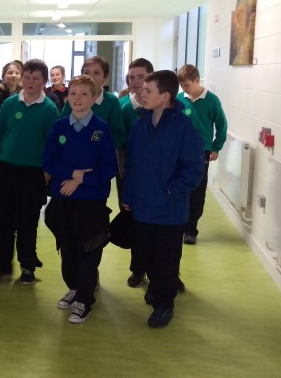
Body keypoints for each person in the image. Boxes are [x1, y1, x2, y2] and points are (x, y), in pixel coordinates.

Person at [122, 70, 204, 328]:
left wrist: (171, 192)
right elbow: (131, 165)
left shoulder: (184, 128)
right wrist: (128, 194)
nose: (142, 93)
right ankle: (156, 289)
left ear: (165, 96)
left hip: (170, 210)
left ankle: (164, 304)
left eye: (148, 91)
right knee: (145, 254)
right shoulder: (139, 125)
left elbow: (193, 169)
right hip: (143, 207)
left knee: (166, 259)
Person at [43, 75, 118, 323]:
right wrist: (73, 174)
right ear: (67, 97)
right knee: (67, 247)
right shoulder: (60, 127)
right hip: (64, 197)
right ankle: (74, 288)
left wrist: (81, 179)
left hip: (91, 201)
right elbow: (49, 161)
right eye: (74, 93)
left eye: (84, 94)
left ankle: (85, 298)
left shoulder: (101, 128)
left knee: (89, 248)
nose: (78, 98)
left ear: (94, 98)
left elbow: (109, 168)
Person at [0, 59, 60, 285]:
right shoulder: (9, 103)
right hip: (5, 170)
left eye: (36, 78)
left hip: (33, 173)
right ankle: (2, 265)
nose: (30, 82)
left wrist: (44, 177)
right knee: (1, 221)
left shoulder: (49, 109)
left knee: (28, 222)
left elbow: (53, 146)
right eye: (27, 77)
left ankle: (27, 265)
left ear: (44, 81)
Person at [176, 64, 227, 245]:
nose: (184, 89)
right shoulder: (179, 99)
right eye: (182, 86)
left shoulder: (212, 100)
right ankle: (178, 226)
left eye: (187, 85)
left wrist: (216, 147)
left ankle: (191, 229)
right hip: (179, 150)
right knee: (180, 188)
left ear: (197, 80)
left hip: (201, 152)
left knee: (197, 191)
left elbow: (222, 125)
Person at [119, 58, 154, 288]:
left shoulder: (161, 107)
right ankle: (138, 269)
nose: (136, 82)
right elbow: (121, 147)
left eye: (141, 77)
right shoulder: (125, 109)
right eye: (132, 77)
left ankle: (163, 272)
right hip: (131, 176)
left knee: (158, 227)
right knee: (135, 224)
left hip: (157, 178)